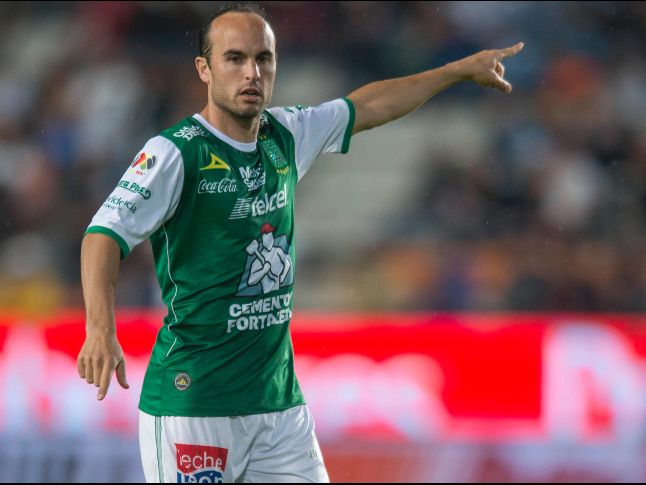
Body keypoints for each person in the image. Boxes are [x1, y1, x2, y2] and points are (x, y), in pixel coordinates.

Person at [76, 3, 524, 483]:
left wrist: (456, 71)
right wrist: (101, 331)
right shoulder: (175, 151)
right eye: (235, 59)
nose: (252, 73)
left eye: (263, 59)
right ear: (204, 70)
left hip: (279, 409)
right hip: (194, 404)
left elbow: (368, 106)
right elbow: (103, 235)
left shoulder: (285, 133)